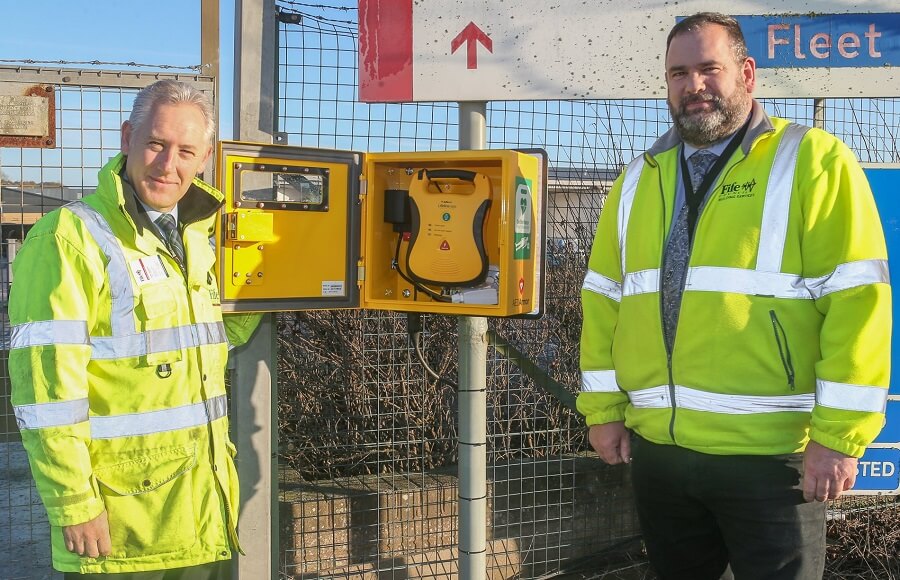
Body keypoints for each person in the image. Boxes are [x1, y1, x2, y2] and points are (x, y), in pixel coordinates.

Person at [578, 12, 891, 580]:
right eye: (678, 73)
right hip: (660, 455)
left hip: (770, 460)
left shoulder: (812, 160)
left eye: (708, 69)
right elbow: (604, 301)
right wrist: (603, 413)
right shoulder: (637, 178)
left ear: (746, 72)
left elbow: (858, 302)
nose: (693, 86)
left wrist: (839, 437)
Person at [10, 80, 260, 578]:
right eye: (156, 144)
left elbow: (212, 341)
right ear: (127, 138)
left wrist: (265, 282)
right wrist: (75, 503)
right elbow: (46, 392)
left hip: (201, 511)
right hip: (121, 527)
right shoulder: (69, 238)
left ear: (206, 157)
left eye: (186, 151)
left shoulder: (201, 236)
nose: (169, 165)